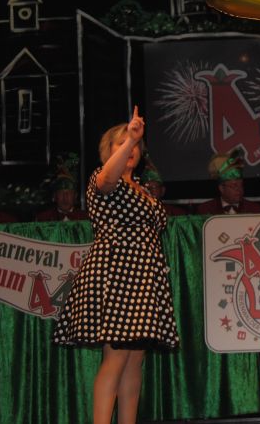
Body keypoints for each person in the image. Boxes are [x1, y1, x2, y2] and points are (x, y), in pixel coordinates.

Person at [52, 107, 179, 424]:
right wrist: (131, 138)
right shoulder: (102, 178)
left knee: (135, 358)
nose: (130, 149)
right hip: (117, 273)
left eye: (134, 144)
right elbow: (109, 179)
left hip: (143, 277)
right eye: (121, 144)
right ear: (108, 151)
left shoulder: (141, 189)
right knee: (117, 355)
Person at [195, 150, 260, 215]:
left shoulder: (255, 210)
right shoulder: (205, 210)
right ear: (222, 188)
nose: (239, 189)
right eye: (234, 185)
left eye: (241, 185)